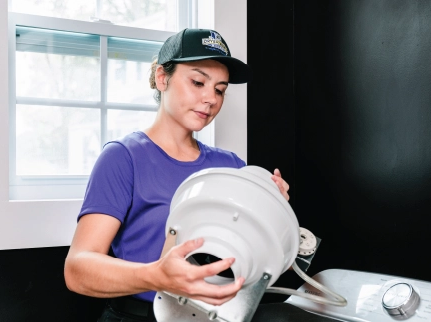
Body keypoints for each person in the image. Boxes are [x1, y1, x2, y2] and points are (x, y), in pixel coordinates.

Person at [64, 28, 290, 322]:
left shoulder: (232, 167)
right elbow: (77, 270)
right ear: (162, 78)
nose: (211, 98)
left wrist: (274, 215)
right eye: (198, 82)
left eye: (220, 90)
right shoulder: (124, 157)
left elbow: (258, 263)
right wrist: (156, 275)